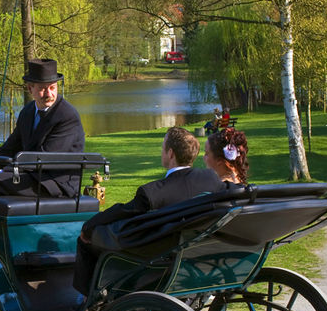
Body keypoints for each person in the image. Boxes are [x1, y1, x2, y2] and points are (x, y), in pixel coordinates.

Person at [72, 126, 224, 294]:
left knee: (88, 241)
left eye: (163, 148)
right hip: (197, 254)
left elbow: (122, 211)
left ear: (171, 153)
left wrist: (88, 227)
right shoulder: (211, 180)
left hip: (158, 257)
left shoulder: (154, 192)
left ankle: (88, 300)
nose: (162, 152)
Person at [0, 58, 85, 197]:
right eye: (43, 89)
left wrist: (5, 172)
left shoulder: (67, 116)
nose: (49, 94)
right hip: (32, 175)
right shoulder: (27, 112)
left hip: (56, 182)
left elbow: (46, 157)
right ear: (30, 88)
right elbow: (9, 149)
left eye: (52, 88)